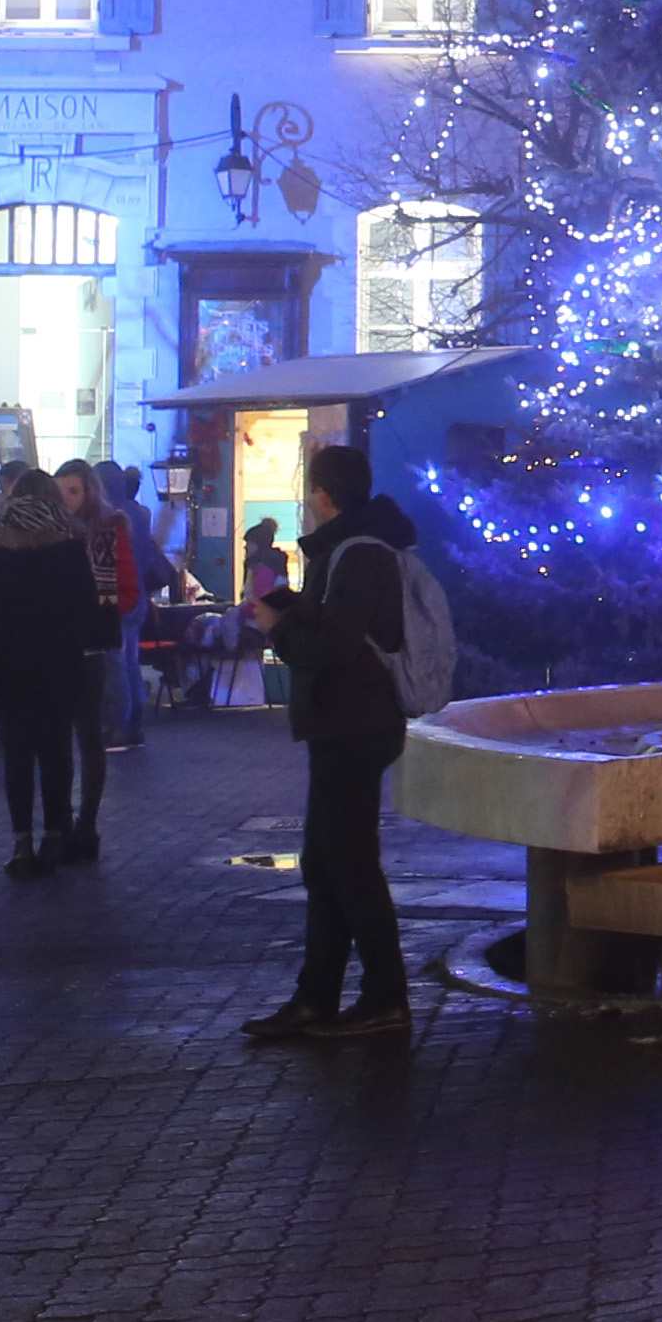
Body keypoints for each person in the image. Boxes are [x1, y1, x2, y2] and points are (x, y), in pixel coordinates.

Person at [244, 444, 415, 1043]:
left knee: (348, 864)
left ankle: (382, 995)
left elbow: (332, 648)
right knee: (327, 862)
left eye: (307, 489)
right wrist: (296, 608)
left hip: (354, 724)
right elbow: (339, 627)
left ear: (322, 496)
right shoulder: (351, 550)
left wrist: (280, 626)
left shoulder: (357, 554)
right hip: (346, 723)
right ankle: (318, 995)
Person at [0, 471, 104, 877]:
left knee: (17, 754)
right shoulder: (69, 542)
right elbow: (87, 605)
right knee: (56, 750)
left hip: (10, 659)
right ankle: (56, 836)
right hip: (59, 661)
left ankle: (21, 842)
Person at [51, 461, 136, 856]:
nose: (67, 499)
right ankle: (63, 822)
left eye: (73, 491)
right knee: (57, 739)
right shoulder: (47, 532)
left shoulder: (107, 528)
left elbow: (127, 588)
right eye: (61, 491)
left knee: (87, 735)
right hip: (55, 646)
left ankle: (86, 822)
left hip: (88, 644)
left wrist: (101, 606)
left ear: (88, 491)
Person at [92, 459, 152, 749]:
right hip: (138, 595)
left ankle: (119, 724)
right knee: (130, 662)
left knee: (116, 664)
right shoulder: (138, 514)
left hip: (116, 597)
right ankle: (136, 722)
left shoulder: (107, 517)